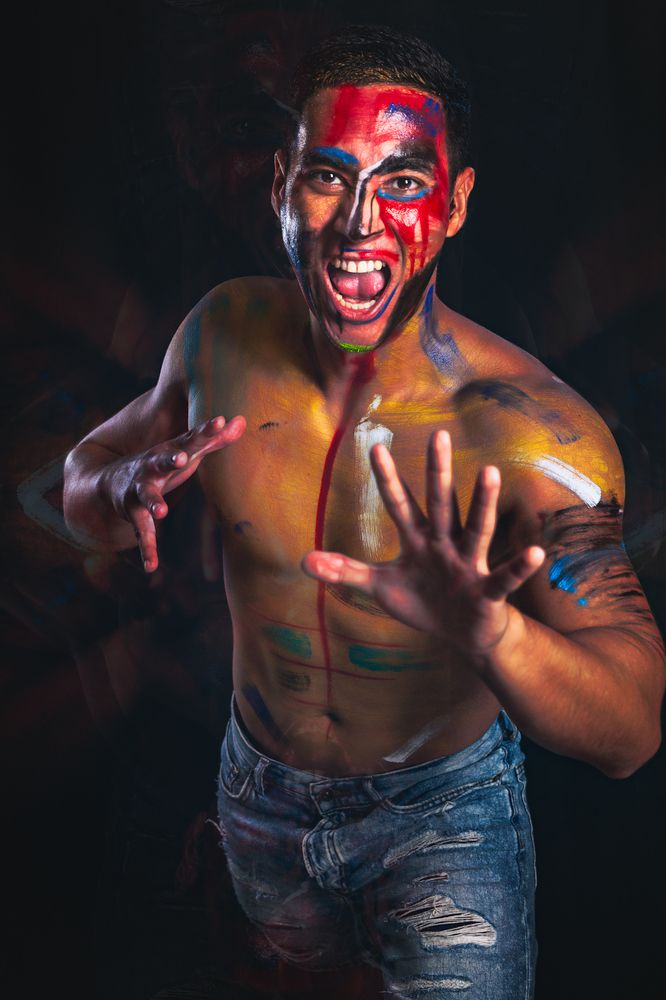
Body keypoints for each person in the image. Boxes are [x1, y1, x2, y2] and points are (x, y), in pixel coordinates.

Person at [63, 25, 665, 1000]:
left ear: (456, 204)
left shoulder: (530, 435)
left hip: (443, 823)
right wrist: (119, 488)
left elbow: (633, 730)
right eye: (329, 177)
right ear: (280, 186)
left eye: (403, 182)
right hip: (258, 797)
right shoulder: (221, 338)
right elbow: (82, 482)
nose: (358, 223)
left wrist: (494, 634)